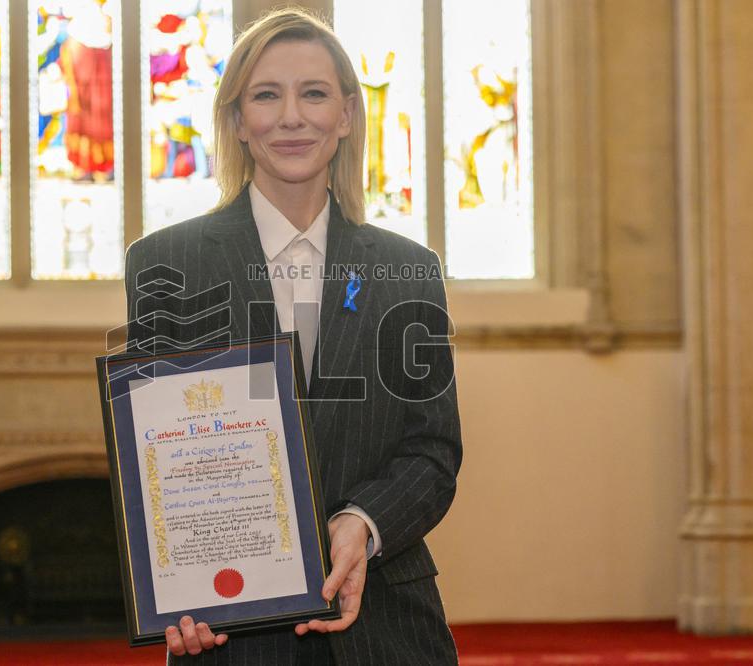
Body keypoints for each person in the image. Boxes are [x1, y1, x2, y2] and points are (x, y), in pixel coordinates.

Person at [124, 8, 462, 665]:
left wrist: (362, 523)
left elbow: (434, 448)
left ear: (347, 114)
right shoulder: (166, 265)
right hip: (229, 631)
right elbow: (158, 455)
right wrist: (178, 588)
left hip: (386, 629)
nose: (291, 117)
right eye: (265, 95)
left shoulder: (409, 271)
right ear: (235, 121)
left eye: (313, 93)